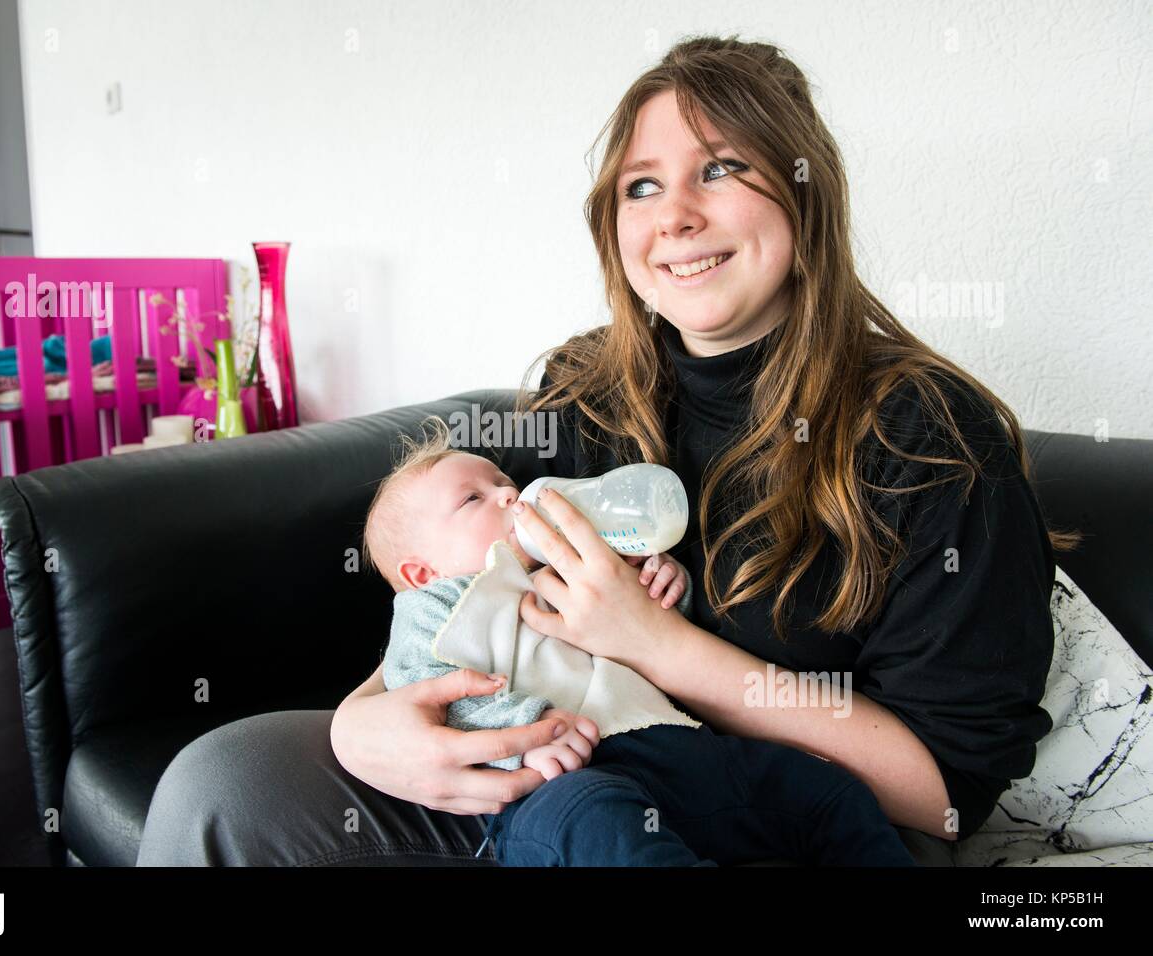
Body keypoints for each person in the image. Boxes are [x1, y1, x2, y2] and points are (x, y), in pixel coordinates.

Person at [136, 34, 1077, 867]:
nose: (674, 215)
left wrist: (656, 644)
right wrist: (366, 722)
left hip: (792, 815)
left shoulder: (930, 436)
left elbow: (943, 796)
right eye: (642, 186)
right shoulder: (584, 391)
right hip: (557, 771)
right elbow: (466, 604)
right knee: (223, 783)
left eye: (719, 169)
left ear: (803, 189)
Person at [361, 420, 914, 865]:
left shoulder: (566, 562)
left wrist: (665, 583)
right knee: (597, 825)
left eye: (501, 480)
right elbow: (431, 694)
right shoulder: (433, 608)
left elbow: (647, 640)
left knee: (826, 791)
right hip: (568, 778)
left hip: (681, 747)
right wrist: (527, 736)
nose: (509, 494)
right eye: (473, 499)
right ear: (419, 573)